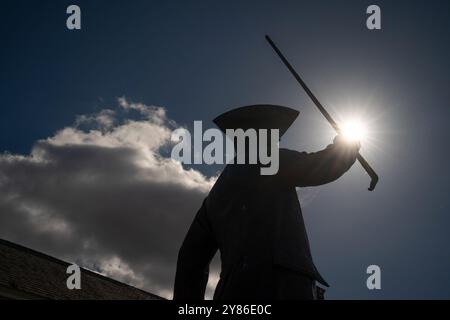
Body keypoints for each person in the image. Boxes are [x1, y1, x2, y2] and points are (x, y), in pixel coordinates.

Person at [173, 105, 360, 300]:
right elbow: (324, 165)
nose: (276, 143)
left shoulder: (214, 198)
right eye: (274, 137)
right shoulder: (267, 161)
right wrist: (347, 144)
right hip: (281, 284)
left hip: (232, 291)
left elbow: (190, 262)